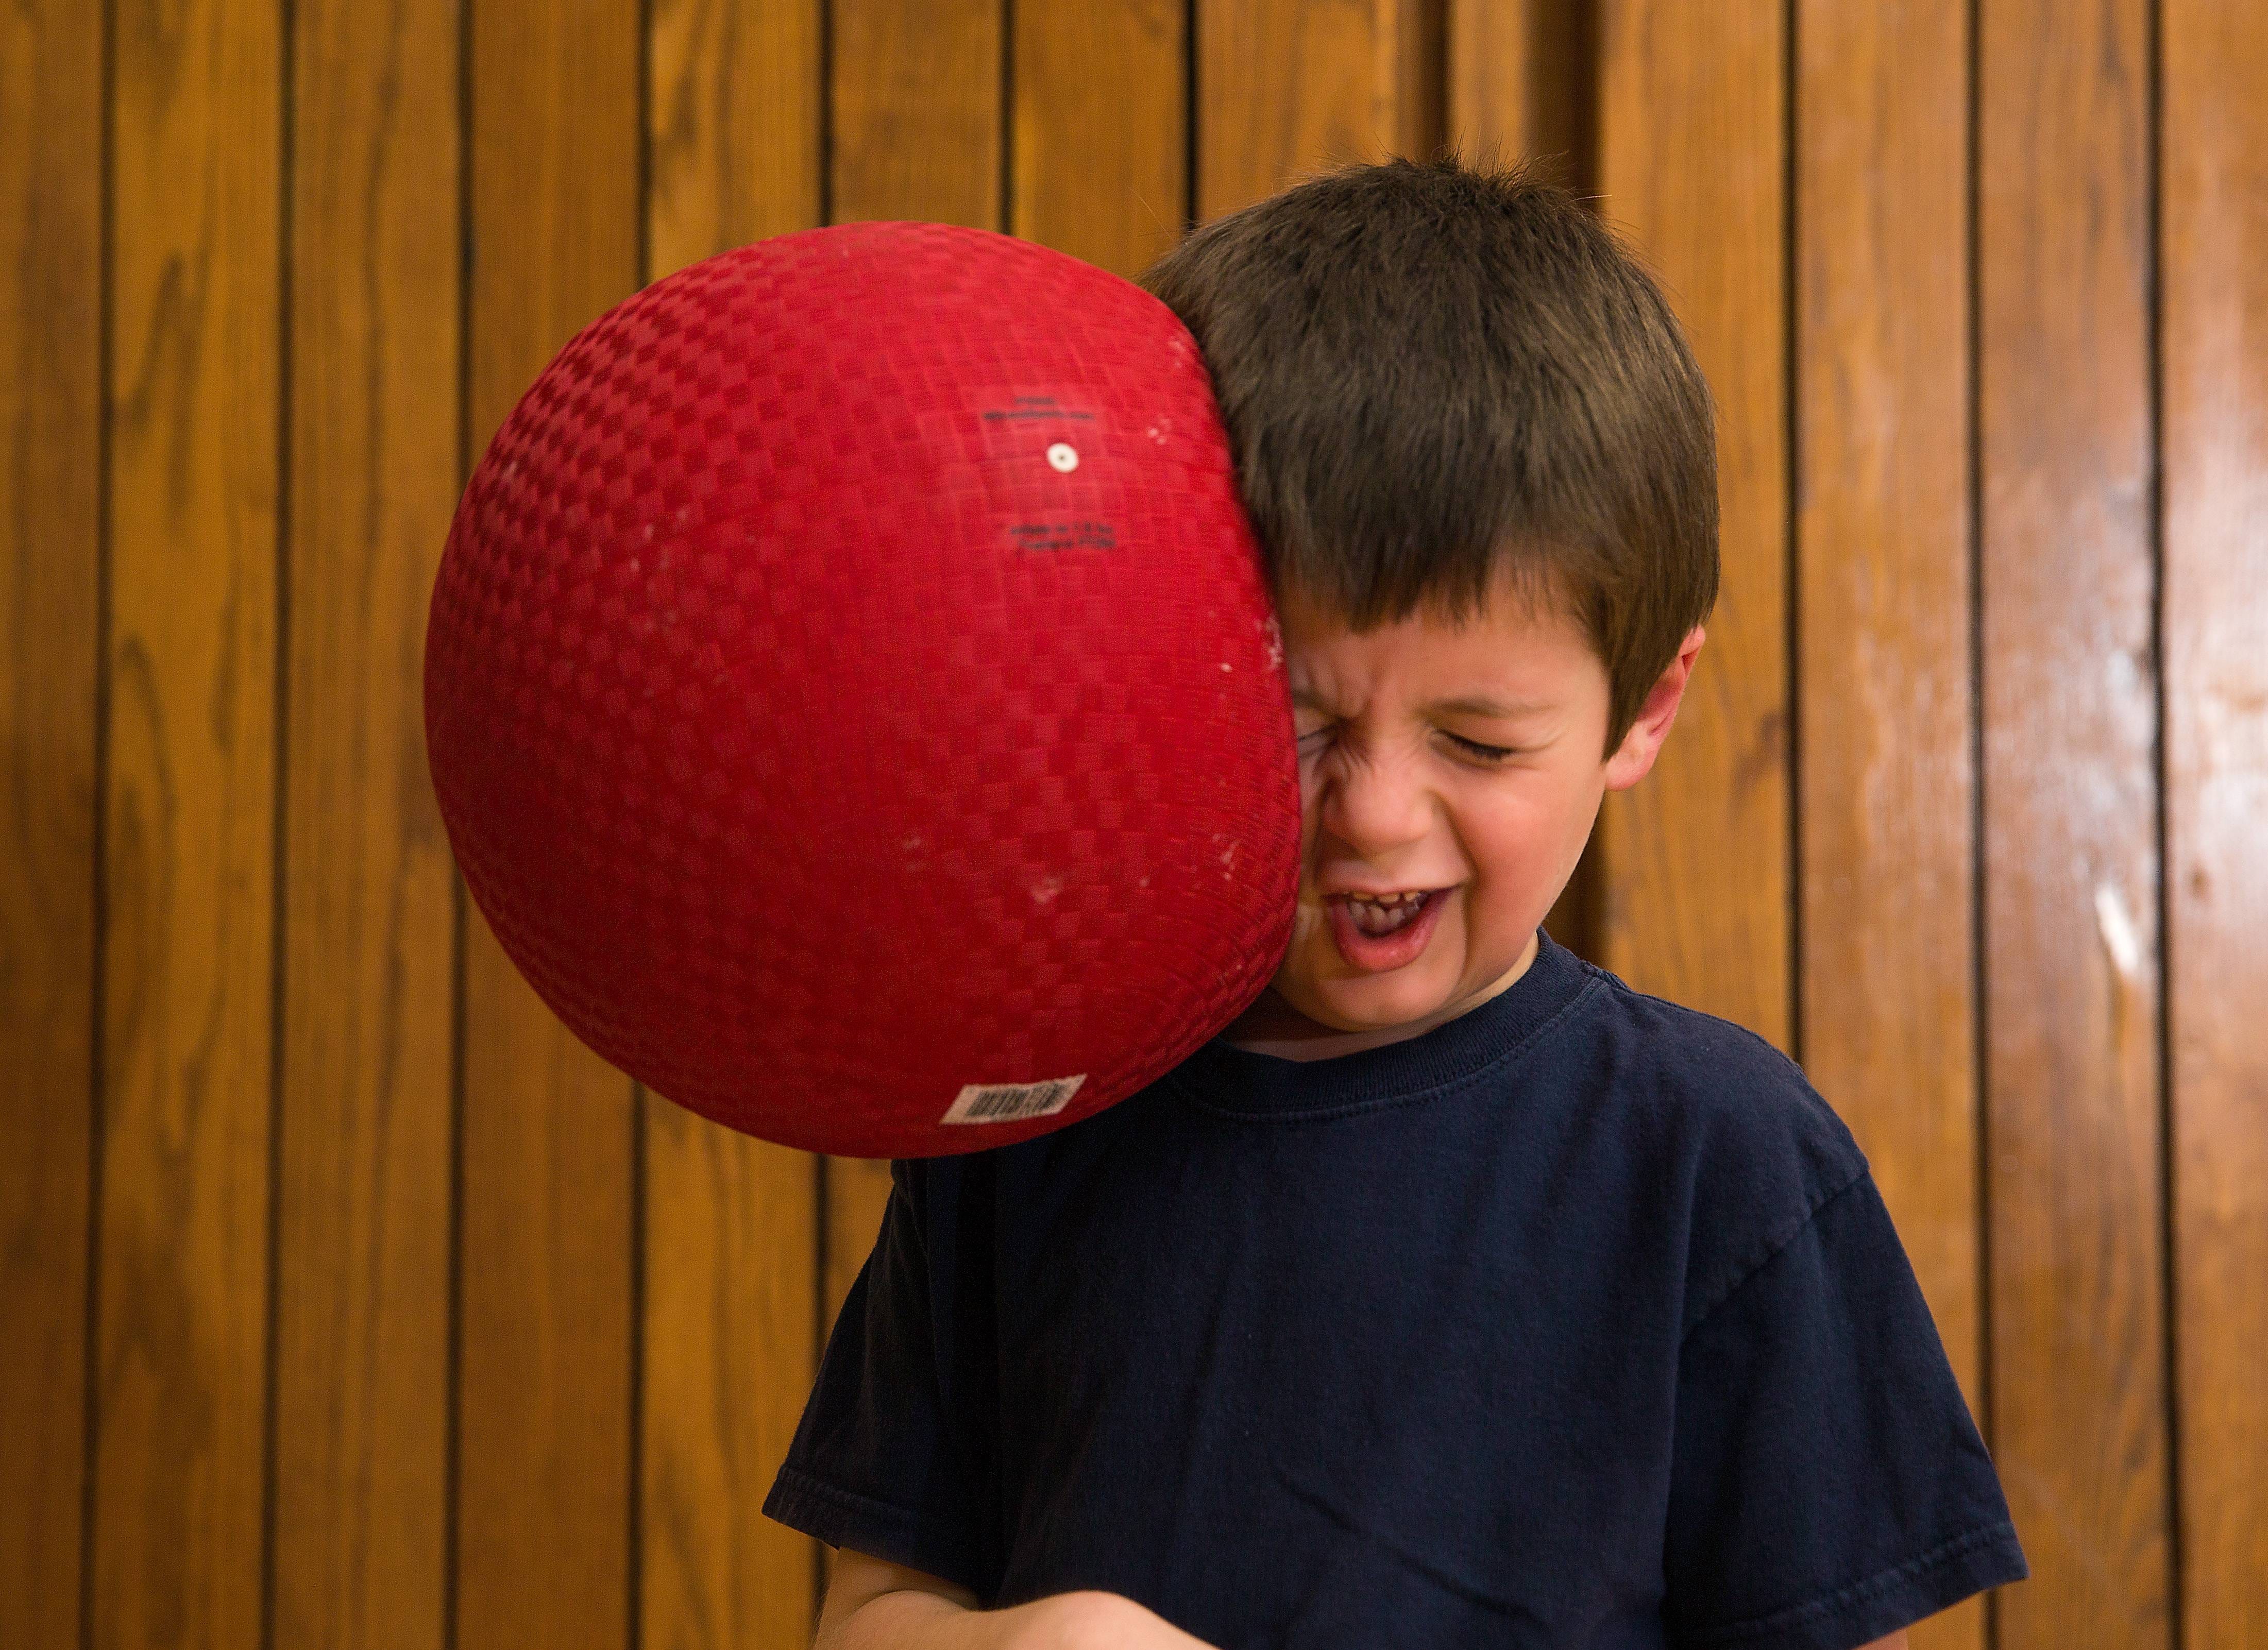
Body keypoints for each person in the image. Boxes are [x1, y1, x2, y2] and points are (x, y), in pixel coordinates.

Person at [761, 152, 2027, 1650]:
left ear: (1644, 707)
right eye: (1290, 720)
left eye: (1478, 741)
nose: (1371, 812)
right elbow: (867, 1608)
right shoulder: (1033, 1112)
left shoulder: (1718, 1157)